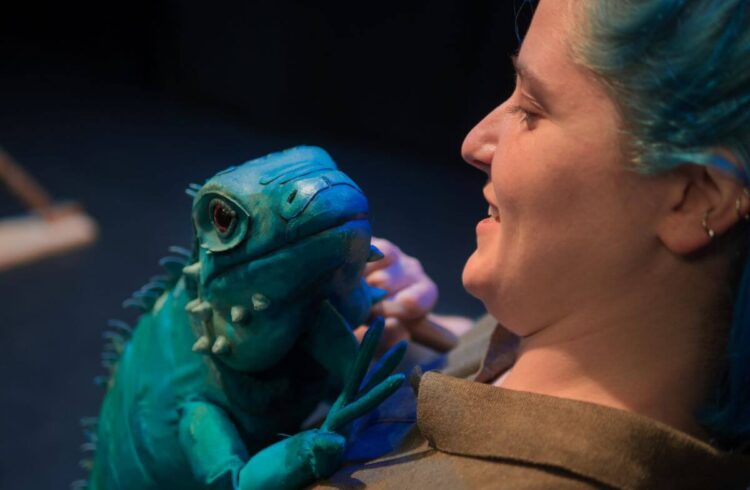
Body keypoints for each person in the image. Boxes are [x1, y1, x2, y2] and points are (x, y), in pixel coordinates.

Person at [313, 0, 750, 488]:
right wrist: (418, 338)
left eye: (532, 108)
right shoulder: (557, 320)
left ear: (696, 197)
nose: (475, 143)